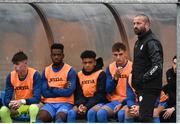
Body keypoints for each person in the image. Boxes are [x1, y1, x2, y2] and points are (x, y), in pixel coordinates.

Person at [87, 42, 134, 122]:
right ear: (112, 55)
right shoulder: (110, 67)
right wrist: (115, 78)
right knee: (101, 113)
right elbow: (108, 90)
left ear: (125, 53)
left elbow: (135, 89)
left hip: (128, 101)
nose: (118, 57)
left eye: (120, 54)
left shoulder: (132, 66)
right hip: (114, 101)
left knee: (121, 114)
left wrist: (125, 102)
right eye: (115, 55)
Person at [131, 14, 163, 122]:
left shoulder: (151, 41)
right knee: (143, 117)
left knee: (145, 117)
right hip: (141, 88)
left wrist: (143, 78)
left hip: (149, 88)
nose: (135, 26)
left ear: (147, 25)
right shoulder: (138, 42)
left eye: (138, 23)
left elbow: (157, 66)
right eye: (134, 23)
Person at [36, 43, 77, 123]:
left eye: (59, 55)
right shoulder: (46, 70)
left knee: (59, 118)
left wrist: (51, 88)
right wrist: (62, 89)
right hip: (49, 104)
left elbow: (68, 92)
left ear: (63, 55)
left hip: (65, 103)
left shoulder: (70, 70)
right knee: (40, 118)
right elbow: (45, 93)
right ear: (51, 56)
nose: (56, 57)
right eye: (54, 55)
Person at [0, 51, 41, 123]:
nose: (15, 67)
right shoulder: (11, 76)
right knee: (3, 110)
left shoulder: (35, 74)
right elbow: (6, 98)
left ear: (25, 64)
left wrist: (22, 101)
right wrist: (11, 104)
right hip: (18, 106)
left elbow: (37, 98)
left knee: (33, 108)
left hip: (32, 104)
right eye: (14, 64)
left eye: (18, 64)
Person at [67, 50, 107, 122]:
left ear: (94, 62)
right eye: (85, 63)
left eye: (90, 62)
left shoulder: (101, 74)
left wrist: (87, 106)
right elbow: (78, 94)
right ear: (82, 63)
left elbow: (100, 95)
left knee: (91, 112)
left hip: (99, 102)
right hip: (83, 102)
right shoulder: (79, 75)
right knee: (71, 113)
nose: (87, 65)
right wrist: (81, 105)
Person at [160, 55, 176, 122]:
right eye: (174, 63)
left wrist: (174, 108)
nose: (176, 66)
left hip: (175, 107)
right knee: (161, 114)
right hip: (170, 103)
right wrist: (161, 90)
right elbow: (170, 86)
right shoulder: (169, 72)